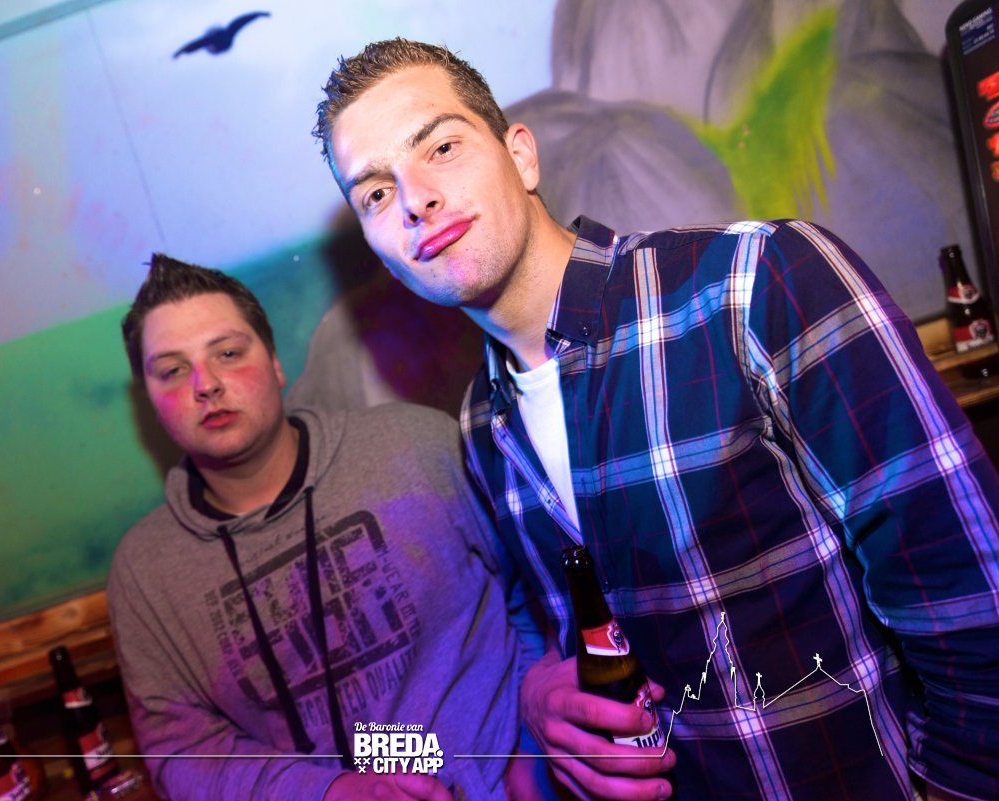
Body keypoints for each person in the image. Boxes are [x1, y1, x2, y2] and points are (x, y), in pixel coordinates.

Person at [313, 38, 999, 801]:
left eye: (441, 147)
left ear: (522, 156)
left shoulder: (755, 282)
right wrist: (541, 687)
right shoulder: (482, 424)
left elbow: (969, 583)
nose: (415, 199)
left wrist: (958, 785)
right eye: (376, 194)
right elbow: (575, 629)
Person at [106, 253, 541, 801]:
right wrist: (327, 791)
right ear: (151, 401)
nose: (206, 384)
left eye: (228, 353)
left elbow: (537, 594)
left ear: (276, 364)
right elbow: (183, 749)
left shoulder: (414, 445)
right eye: (172, 370)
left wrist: (534, 752)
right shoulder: (144, 573)